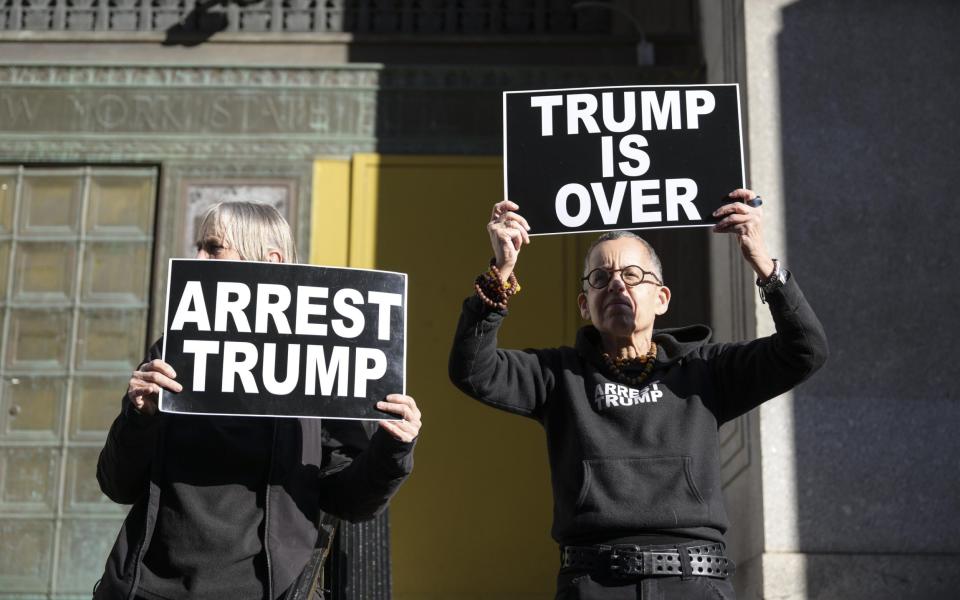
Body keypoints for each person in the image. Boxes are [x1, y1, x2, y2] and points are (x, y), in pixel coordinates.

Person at [448, 189, 827, 599]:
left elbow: (804, 351)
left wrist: (764, 264)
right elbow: (473, 370)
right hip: (594, 582)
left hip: (695, 582)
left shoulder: (706, 370)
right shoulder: (557, 375)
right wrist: (501, 272)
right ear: (584, 304)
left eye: (631, 275)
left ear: (662, 298)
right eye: (600, 278)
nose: (615, 285)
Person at [94, 201, 421, 600]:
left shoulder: (325, 357)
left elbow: (349, 500)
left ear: (269, 260)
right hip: (149, 588)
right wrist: (138, 417)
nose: (197, 258)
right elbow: (117, 484)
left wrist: (393, 447)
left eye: (213, 248)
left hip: (273, 591)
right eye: (199, 246)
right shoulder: (173, 351)